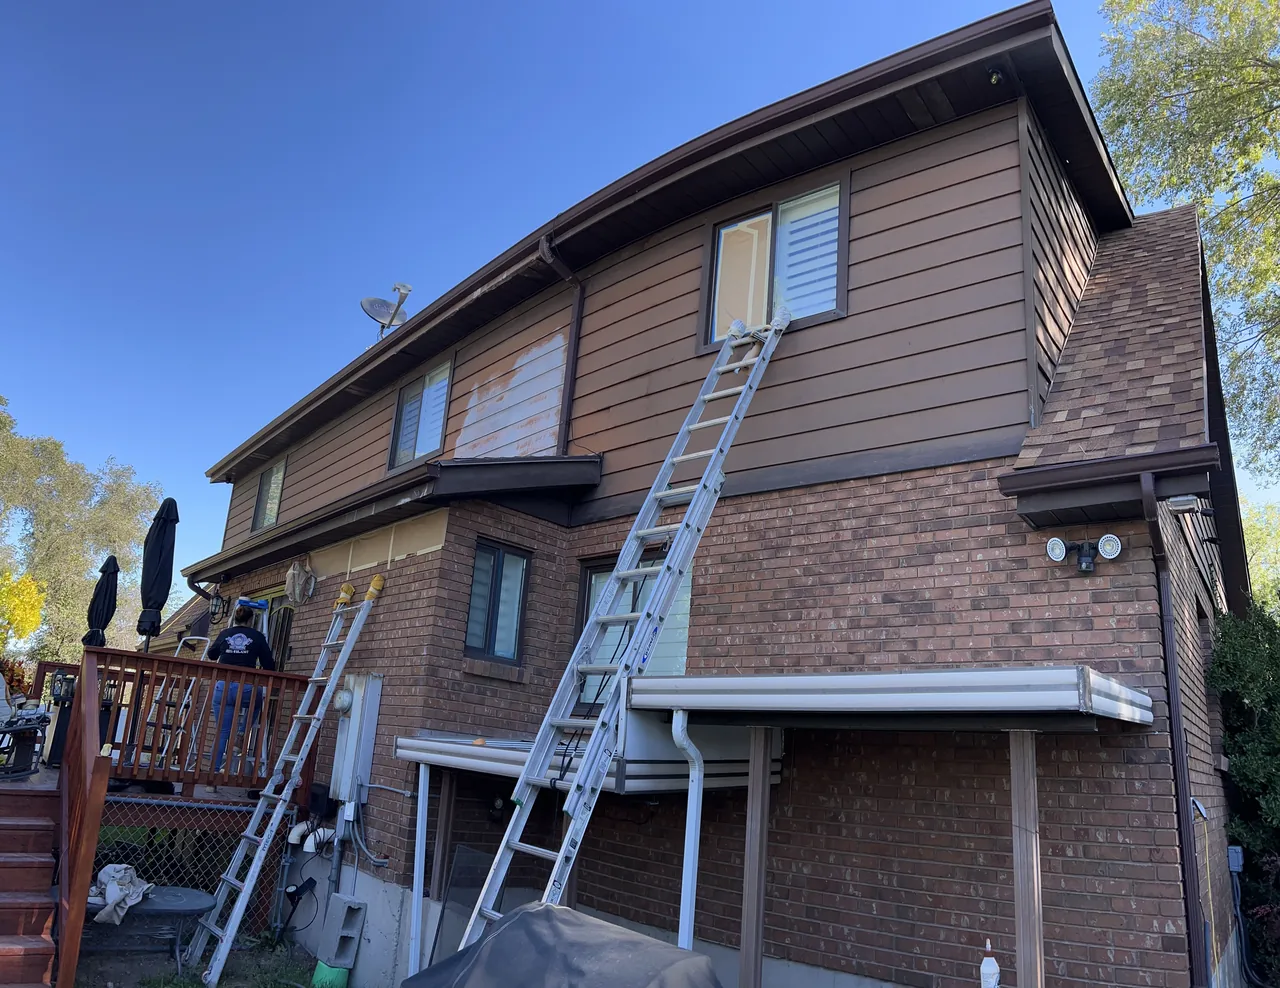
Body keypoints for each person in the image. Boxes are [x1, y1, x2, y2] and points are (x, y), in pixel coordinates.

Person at [205, 604, 274, 792]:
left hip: (223, 686)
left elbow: (211, 655)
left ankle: (211, 780)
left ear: (234, 618)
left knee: (221, 732)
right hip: (246, 687)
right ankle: (242, 734)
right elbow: (269, 665)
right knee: (257, 704)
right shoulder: (257, 637)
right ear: (251, 620)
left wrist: (226, 647)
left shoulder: (225, 633)